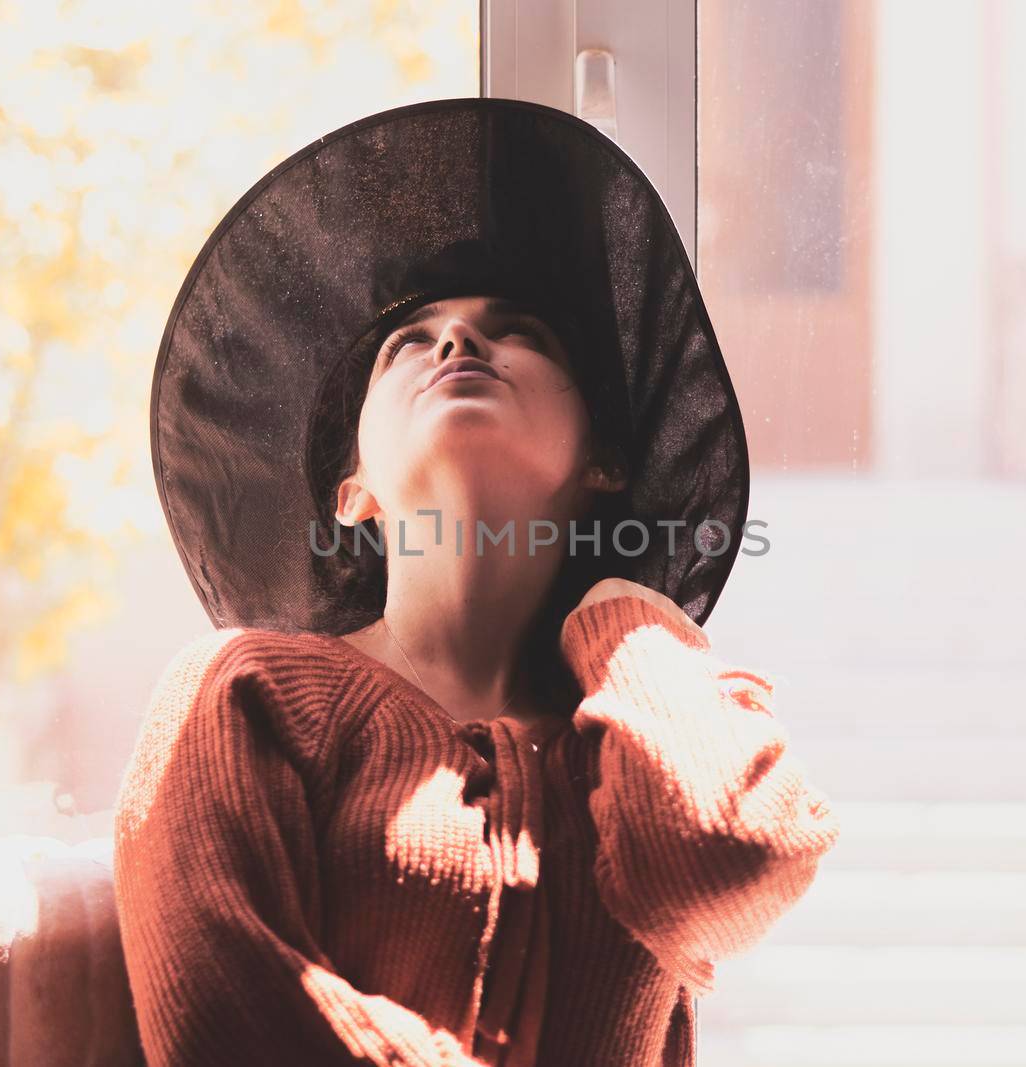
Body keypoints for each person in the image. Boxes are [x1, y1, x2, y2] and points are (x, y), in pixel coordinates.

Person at [113, 97, 841, 1067]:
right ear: (352, 490)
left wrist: (622, 613)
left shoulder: (637, 726)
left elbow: (725, 860)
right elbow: (224, 1024)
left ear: (602, 461)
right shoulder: (245, 692)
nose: (456, 341)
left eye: (518, 331)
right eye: (407, 341)